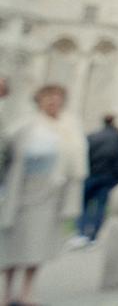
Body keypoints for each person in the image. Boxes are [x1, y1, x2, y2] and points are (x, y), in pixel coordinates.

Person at [0, 84, 87, 306]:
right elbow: (7, 148)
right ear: (39, 100)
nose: (52, 103)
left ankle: (27, 290)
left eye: (57, 99)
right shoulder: (26, 125)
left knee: (38, 243)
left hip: (50, 192)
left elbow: (74, 161)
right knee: (13, 243)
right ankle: (7, 291)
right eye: (48, 98)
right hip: (22, 189)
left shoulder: (68, 127)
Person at [76, 113, 118, 242]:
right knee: (101, 206)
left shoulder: (93, 136)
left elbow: (84, 154)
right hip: (108, 177)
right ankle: (93, 235)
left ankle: (81, 232)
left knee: (84, 204)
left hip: (91, 174)